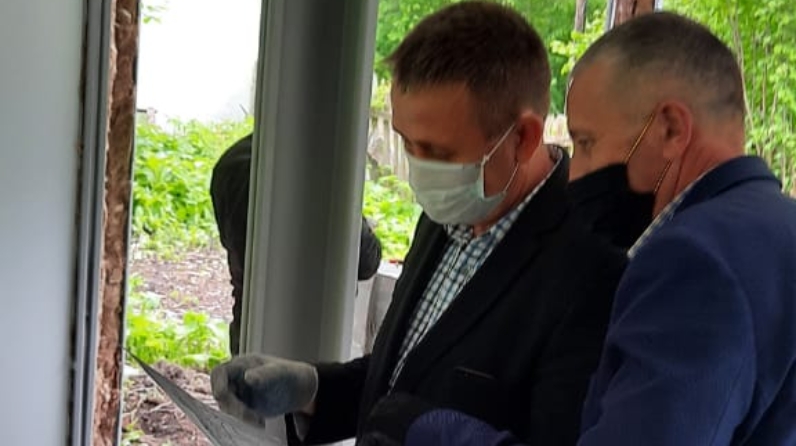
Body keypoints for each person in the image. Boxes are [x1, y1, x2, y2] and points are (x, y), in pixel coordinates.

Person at [357, 11, 796, 446]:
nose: (578, 171)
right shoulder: (776, 229)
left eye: (586, 142)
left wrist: (434, 429)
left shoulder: (693, 262)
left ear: (670, 129)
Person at [209, 2, 628, 445]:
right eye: (407, 143)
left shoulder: (592, 271)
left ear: (523, 137)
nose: (419, 170)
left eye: (438, 152)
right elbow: (403, 376)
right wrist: (313, 389)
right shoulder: (450, 212)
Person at [210, 132, 383, 355]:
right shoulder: (319, 174)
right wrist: (360, 220)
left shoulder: (231, 163)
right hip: (312, 342)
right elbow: (367, 261)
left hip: (248, 333)